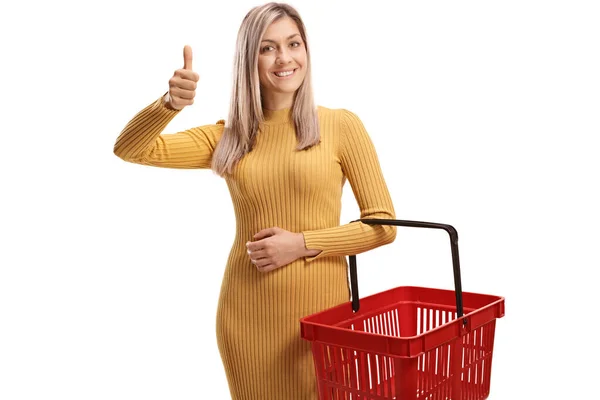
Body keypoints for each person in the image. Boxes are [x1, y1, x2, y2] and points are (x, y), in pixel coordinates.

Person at [113, 2, 396, 398]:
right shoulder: (230, 137)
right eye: (268, 48)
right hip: (246, 317)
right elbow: (131, 149)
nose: (285, 58)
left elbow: (382, 226)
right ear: (250, 59)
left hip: (324, 318)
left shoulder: (340, 126)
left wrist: (301, 244)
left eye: (293, 44)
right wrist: (169, 105)